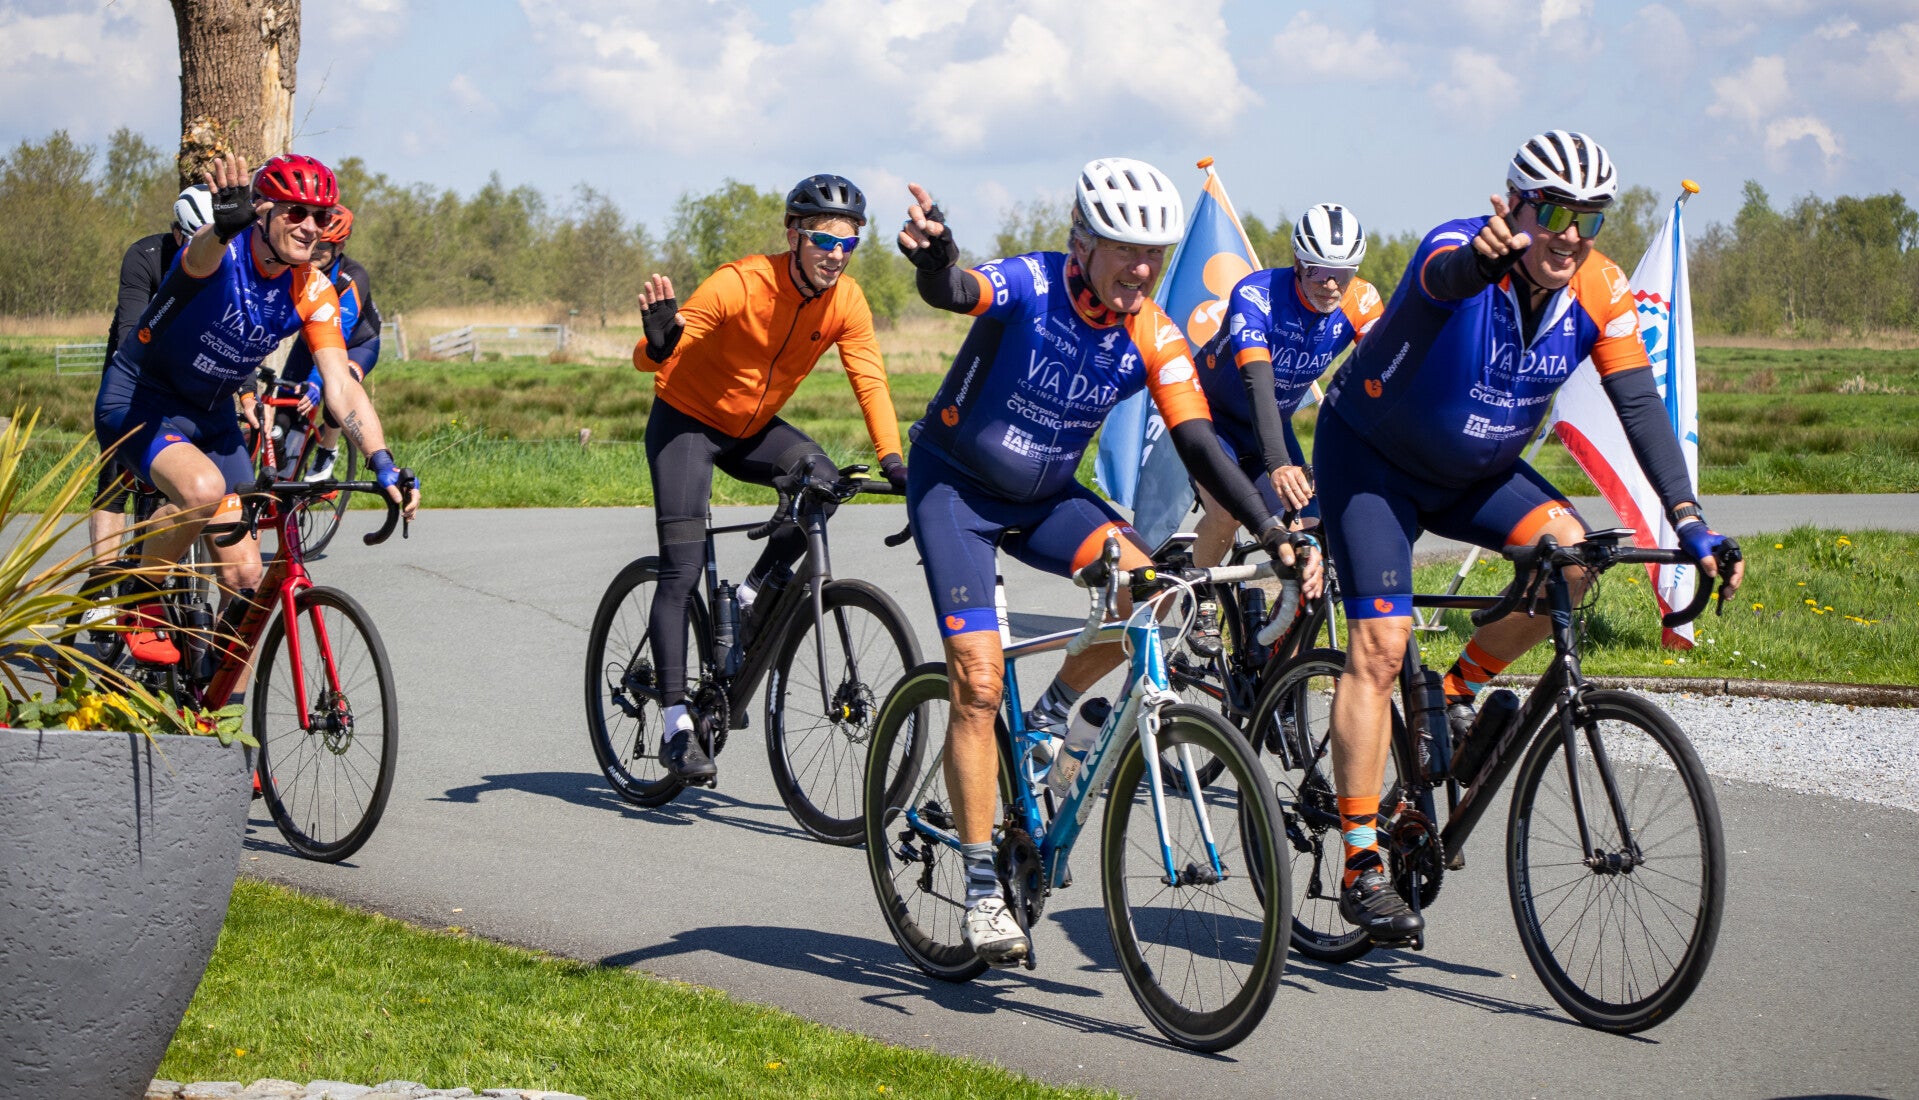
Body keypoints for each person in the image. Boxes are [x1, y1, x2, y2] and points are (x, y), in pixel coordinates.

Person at [1312, 130, 1743, 941]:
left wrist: (1690, 521)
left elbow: (1639, 407)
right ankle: (1360, 863)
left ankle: (1453, 691)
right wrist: (1475, 268)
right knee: (1379, 644)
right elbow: (1433, 291)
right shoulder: (1456, 251)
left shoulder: (1599, 287)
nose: (1569, 234)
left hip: (1476, 473)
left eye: (1588, 218)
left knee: (1573, 563)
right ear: (1511, 207)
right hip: (1372, 463)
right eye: (1550, 212)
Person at [896, 159, 1319, 967]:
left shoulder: (1151, 331)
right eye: (1126, 249)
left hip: (1048, 498)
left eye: (1154, 253)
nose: (1142, 268)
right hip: (955, 492)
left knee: (1158, 597)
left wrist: (1271, 529)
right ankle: (981, 887)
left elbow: (1199, 441)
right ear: (1082, 242)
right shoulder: (1031, 283)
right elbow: (956, 290)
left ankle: (1052, 712)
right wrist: (936, 260)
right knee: (978, 683)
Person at [633, 173, 908, 785]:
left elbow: (870, 379)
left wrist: (893, 460)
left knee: (826, 483)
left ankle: (753, 593)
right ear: (793, 236)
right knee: (681, 569)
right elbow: (658, 348)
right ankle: (675, 724)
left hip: (753, 428)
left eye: (848, 243)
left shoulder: (847, 301)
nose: (836, 255)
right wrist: (657, 344)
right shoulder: (741, 282)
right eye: (823, 240)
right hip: (686, 423)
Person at [94, 152, 418, 665]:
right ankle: (140, 597)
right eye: (296, 212)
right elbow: (199, 259)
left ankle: (220, 705)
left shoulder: (313, 289)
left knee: (247, 580)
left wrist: (382, 460)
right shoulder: (222, 253)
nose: (310, 227)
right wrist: (222, 228)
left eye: (322, 217)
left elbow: (341, 384)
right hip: (140, 398)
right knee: (202, 489)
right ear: (262, 213)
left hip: (212, 416)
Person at [1190, 202, 1383, 565]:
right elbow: (1257, 383)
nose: (1331, 285)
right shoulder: (1256, 295)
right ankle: (1199, 593)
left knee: (1309, 531)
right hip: (1209, 417)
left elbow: (1385, 376)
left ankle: (1291, 604)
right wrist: (1278, 463)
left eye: (1342, 274)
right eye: (1318, 271)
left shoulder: (1362, 299)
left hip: (1271, 423)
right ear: (1297, 262)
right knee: (1228, 514)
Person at [80, 185, 217, 626]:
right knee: (115, 476)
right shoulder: (145, 256)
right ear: (179, 233)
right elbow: (129, 328)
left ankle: (170, 584)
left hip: (189, 376)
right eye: (194, 239)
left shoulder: (226, 262)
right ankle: (102, 586)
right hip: (133, 367)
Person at [273, 204, 382, 480]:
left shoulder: (352, 277)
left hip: (356, 345)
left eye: (323, 246)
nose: (314, 250)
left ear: (339, 246)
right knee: (285, 411)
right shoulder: (296, 266)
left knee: (337, 390)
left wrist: (315, 383)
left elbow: (339, 334)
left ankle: (327, 449)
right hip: (310, 342)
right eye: (313, 242)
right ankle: (284, 477)